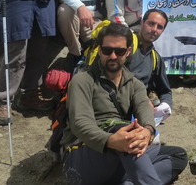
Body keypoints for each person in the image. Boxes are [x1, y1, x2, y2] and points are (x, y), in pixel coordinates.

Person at [59, 22, 187, 185]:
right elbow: (80, 124)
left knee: (178, 155)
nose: (112, 56)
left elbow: (143, 108)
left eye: (119, 51)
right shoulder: (82, 80)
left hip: (121, 152)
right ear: (99, 50)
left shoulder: (135, 84)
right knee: (126, 134)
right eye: (107, 50)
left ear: (127, 52)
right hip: (83, 156)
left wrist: (148, 131)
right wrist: (111, 140)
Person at [128, 9, 174, 126]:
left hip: (138, 113)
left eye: (159, 27)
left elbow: (165, 91)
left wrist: (166, 106)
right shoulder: (125, 45)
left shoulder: (155, 58)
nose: (154, 30)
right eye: (151, 23)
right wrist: (142, 99)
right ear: (142, 23)